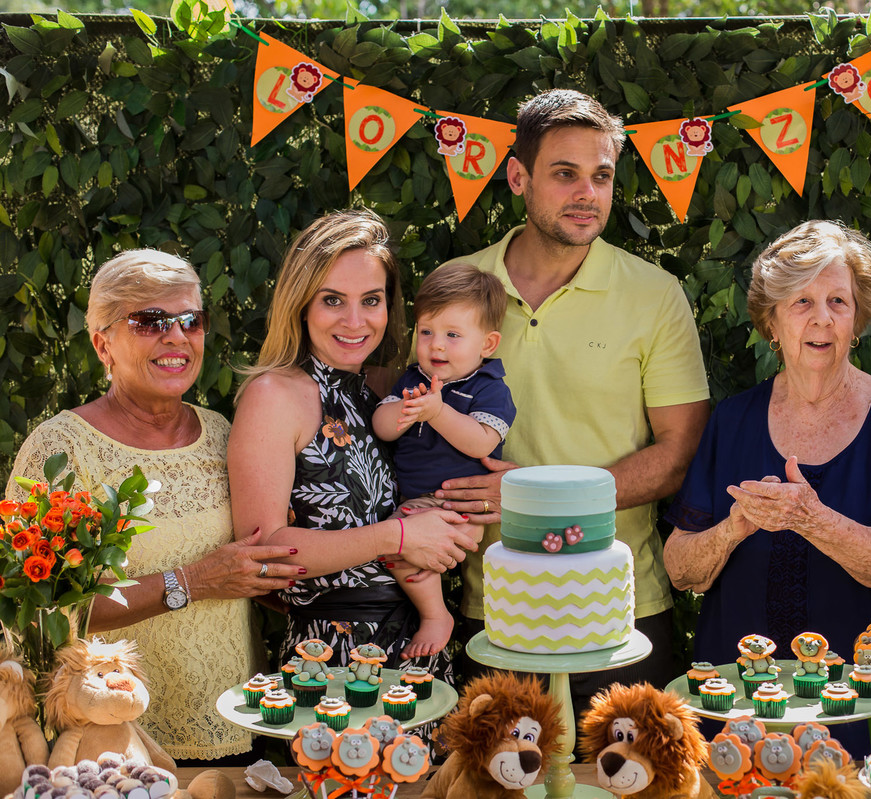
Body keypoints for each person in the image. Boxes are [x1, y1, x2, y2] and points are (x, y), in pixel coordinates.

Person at [431, 89, 711, 701]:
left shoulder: (655, 295)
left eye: (601, 176)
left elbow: (675, 456)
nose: (587, 193)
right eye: (565, 174)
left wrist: (537, 502)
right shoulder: (458, 290)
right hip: (495, 611)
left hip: (624, 611)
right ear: (517, 177)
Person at [4, 249, 303, 764]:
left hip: (240, 724)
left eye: (192, 320)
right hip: (111, 741)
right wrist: (191, 582)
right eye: (149, 322)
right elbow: (36, 613)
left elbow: (248, 569)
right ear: (103, 344)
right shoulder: (61, 450)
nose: (177, 336)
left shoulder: (225, 434)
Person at [661, 221, 871, 751]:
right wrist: (735, 526)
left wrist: (812, 517)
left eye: (838, 301)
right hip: (734, 702)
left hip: (854, 703)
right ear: (772, 321)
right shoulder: (732, 419)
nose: (822, 318)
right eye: (801, 301)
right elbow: (679, 566)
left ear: (857, 319)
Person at [228, 210, 480, 678]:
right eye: (332, 300)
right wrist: (399, 537)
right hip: (331, 661)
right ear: (301, 304)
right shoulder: (275, 395)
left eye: (371, 300)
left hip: (418, 650)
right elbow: (263, 556)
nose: (355, 320)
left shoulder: (379, 391)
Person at [371, 263, 515, 659]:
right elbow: (382, 427)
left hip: (460, 506)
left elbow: (481, 441)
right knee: (396, 544)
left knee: (397, 541)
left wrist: (436, 412)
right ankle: (431, 609)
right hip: (417, 502)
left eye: (453, 335)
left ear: (487, 344)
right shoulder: (412, 381)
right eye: (427, 332)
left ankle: (435, 616)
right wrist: (407, 408)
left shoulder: (489, 389)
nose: (436, 345)